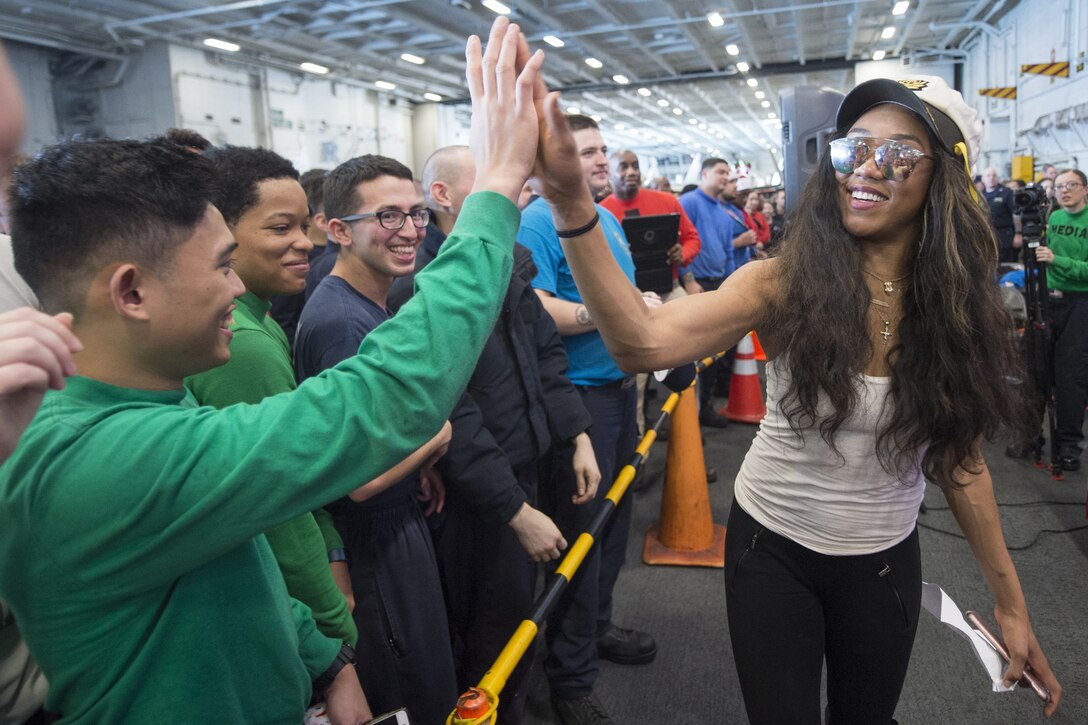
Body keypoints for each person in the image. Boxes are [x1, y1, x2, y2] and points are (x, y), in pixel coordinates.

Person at [0, 17, 561, 723]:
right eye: (222, 266)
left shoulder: (145, 409)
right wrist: (499, 185)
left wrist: (322, 657)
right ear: (131, 291)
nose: (238, 289)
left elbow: (235, 558)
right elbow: (379, 400)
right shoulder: (99, 458)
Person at [541, 75, 1063, 722]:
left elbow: (959, 459)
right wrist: (570, 203)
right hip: (772, 550)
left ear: (944, 179)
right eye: (853, 148)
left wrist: (1012, 604)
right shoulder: (784, 280)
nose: (866, 168)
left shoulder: (954, 309)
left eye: (898, 153)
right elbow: (641, 344)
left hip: (882, 560)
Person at [388, 145, 600, 724]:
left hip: (531, 468)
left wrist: (577, 435)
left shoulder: (508, 261)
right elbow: (455, 415)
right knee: (486, 640)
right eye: (495, 181)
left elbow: (545, 353)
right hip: (480, 500)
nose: (518, 191)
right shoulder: (423, 289)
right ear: (444, 196)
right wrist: (515, 509)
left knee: (521, 622)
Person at [185, 146, 357, 649]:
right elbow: (278, 501)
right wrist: (334, 629)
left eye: (305, 225)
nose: (305, 243)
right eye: (281, 228)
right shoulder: (241, 341)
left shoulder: (257, 317)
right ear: (221, 233)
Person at [517, 114, 655, 725]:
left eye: (602, 150)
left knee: (614, 528)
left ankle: (595, 631)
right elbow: (539, 308)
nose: (599, 161)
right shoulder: (537, 220)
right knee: (582, 540)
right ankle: (570, 679)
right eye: (584, 152)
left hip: (619, 391)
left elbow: (616, 297)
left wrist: (641, 309)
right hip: (578, 401)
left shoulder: (610, 221)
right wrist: (610, 317)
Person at [1034, 168, 1088, 471]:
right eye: (1058, 186)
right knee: (1038, 370)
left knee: (1071, 376)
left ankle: (1069, 444)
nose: (1064, 190)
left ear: (1085, 189)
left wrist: (1058, 261)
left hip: (1081, 301)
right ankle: (1033, 435)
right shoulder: (1053, 219)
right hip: (1050, 298)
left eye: (1071, 185)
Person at [981, 167, 1021, 263]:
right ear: (983, 179)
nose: (991, 178)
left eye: (994, 175)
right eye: (988, 176)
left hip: (1006, 237)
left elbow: (1016, 213)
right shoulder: (980, 195)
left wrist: (1018, 234)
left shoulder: (1006, 192)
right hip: (988, 239)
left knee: (1007, 267)